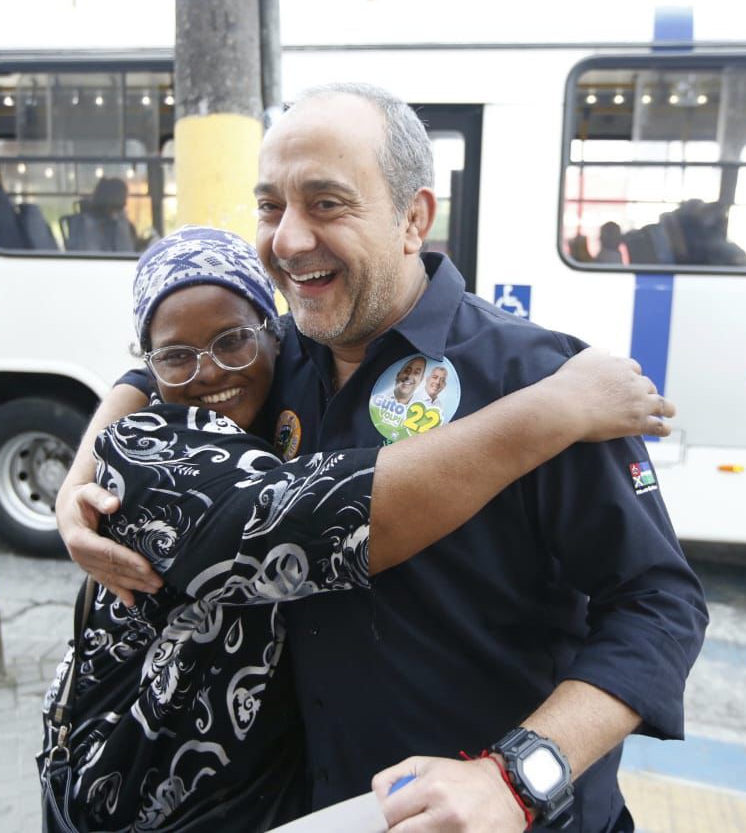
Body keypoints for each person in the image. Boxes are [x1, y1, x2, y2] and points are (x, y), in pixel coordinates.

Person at [59, 83, 707, 832]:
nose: (289, 240)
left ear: (413, 218)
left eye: (327, 203)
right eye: (271, 206)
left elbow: (662, 607)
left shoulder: (541, 382)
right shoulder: (275, 355)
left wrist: (517, 776)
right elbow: (165, 364)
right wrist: (76, 483)